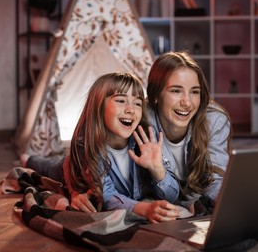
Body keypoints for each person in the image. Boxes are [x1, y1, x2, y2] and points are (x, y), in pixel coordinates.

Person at [22, 72, 181, 223]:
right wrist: (144, 209)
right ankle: (28, 158)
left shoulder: (147, 140)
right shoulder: (85, 143)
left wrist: (158, 169)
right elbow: (108, 196)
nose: (131, 109)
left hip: (79, 165)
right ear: (98, 107)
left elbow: (172, 196)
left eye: (138, 103)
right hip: (69, 168)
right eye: (120, 100)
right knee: (46, 165)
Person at [144, 51, 232, 210]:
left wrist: (227, 201)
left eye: (194, 92)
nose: (187, 102)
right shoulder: (140, 118)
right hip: (157, 196)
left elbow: (217, 178)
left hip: (197, 196)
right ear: (156, 94)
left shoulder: (214, 120)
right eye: (176, 91)